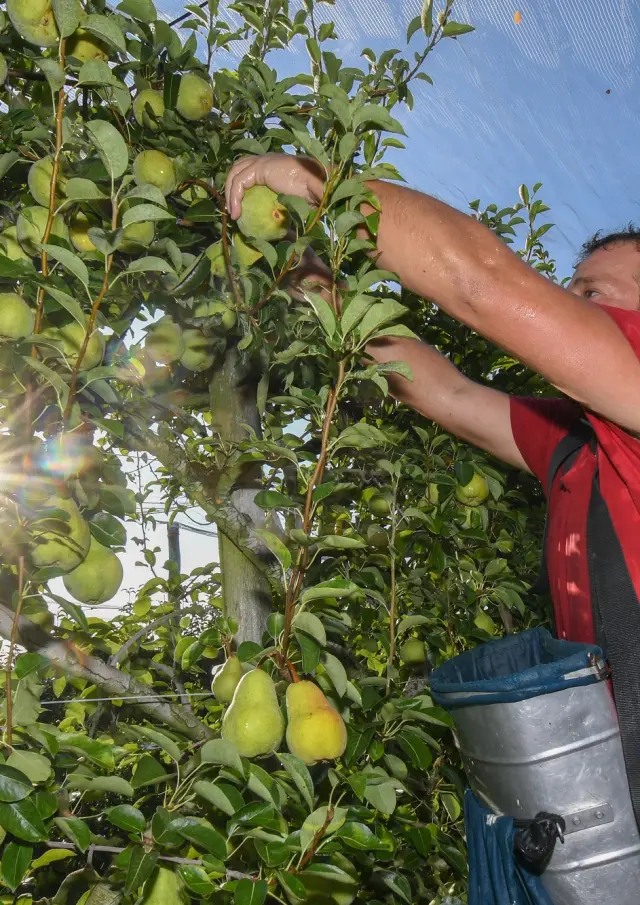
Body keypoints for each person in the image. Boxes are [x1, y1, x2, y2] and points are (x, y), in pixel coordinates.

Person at [224, 153, 640, 647]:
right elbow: (449, 393)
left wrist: (318, 187)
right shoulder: (576, 449)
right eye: (570, 289)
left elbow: (482, 284)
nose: (569, 305)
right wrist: (318, 287)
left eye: (591, 293)